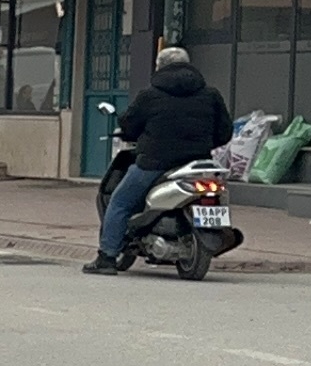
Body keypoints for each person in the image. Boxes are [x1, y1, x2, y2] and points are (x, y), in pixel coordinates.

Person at [88, 45, 234, 275]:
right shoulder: (210, 94)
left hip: (154, 162)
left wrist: (131, 133)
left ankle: (106, 257)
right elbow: (225, 132)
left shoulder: (150, 94)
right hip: (198, 163)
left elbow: (129, 125)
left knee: (120, 202)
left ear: (160, 67)